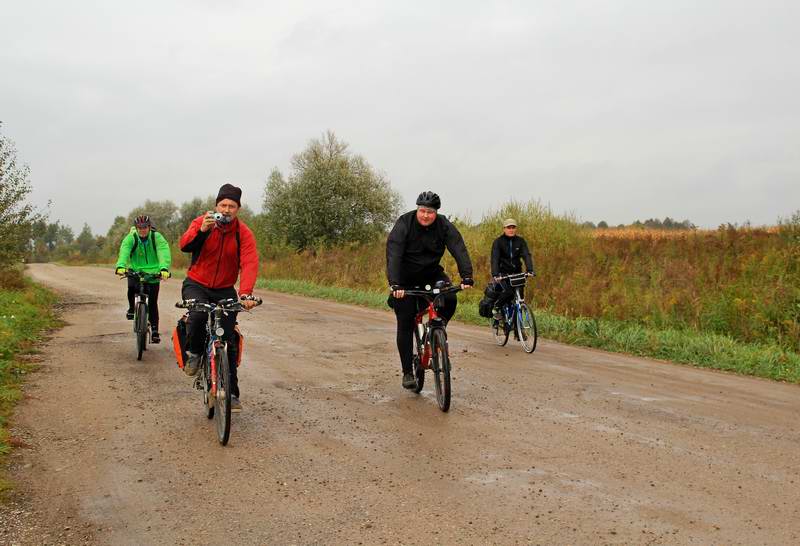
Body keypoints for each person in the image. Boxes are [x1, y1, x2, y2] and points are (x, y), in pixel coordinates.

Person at [179, 183, 259, 412]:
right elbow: (185, 245)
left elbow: (249, 262)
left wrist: (246, 293)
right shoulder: (203, 222)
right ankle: (194, 354)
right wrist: (201, 231)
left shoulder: (243, 233)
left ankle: (232, 394)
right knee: (195, 317)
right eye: (223, 205)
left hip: (225, 288)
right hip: (197, 284)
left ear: (238, 209)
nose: (226, 209)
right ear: (216, 205)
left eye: (231, 206)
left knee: (229, 340)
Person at [386, 191, 474, 389]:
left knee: (449, 298)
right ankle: (408, 371)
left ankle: (437, 334)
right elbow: (393, 254)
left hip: (432, 275)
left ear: (436, 213)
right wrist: (395, 284)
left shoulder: (443, 225)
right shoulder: (404, 223)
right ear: (417, 209)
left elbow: (458, 248)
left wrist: (467, 275)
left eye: (431, 212)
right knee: (406, 321)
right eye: (423, 211)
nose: (426, 215)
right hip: (405, 280)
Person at [114, 215, 172, 343]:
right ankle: (131, 308)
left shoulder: (156, 237)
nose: (142, 230)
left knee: (152, 302)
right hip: (136, 270)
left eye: (145, 227)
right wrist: (120, 266)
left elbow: (163, 251)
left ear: (149, 227)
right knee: (131, 287)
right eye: (139, 228)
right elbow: (124, 251)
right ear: (136, 228)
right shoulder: (131, 238)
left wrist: (163, 269)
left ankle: (155, 331)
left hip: (154, 272)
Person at [489, 218, 535, 317]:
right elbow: (495, 259)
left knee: (520, 298)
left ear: (516, 229)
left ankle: (518, 325)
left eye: (513, 227)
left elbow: (526, 255)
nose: (511, 230)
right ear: (504, 229)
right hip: (503, 274)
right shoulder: (498, 242)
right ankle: (497, 307)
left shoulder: (520, 241)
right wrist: (495, 274)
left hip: (518, 273)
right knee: (508, 293)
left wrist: (530, 270)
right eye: (509, 227)